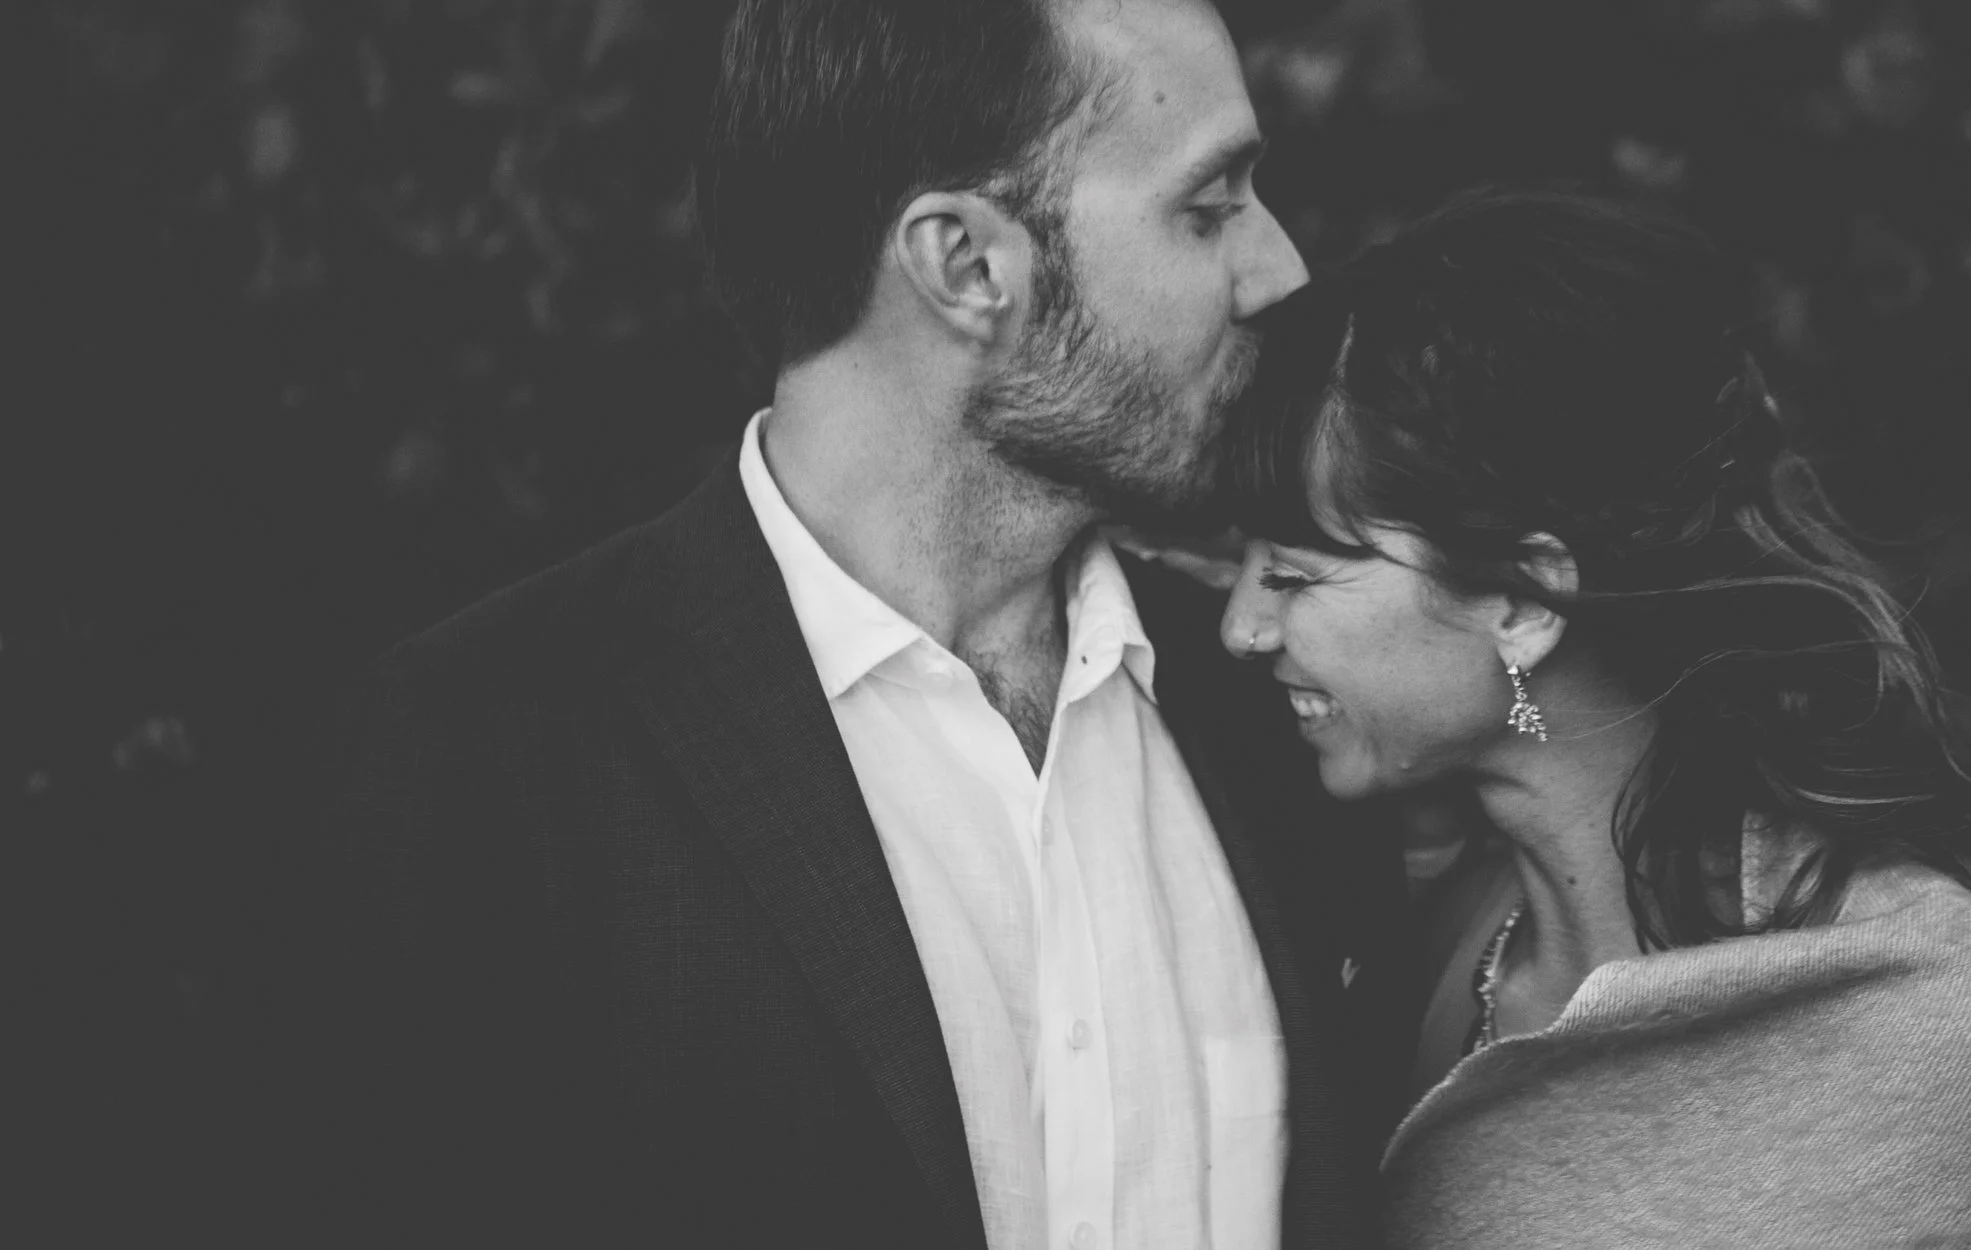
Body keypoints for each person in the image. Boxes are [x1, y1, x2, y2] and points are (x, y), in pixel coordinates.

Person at [289, 2, 1414, 1246]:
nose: (1279, 270)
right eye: (1206, 208)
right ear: (965, 265)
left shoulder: (1273, 707)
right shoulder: (482, 759)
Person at [1217, 189, 1971, 1249]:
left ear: (1524, 603)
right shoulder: (1383, 941)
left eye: (1292, 574)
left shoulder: (1942, 1033)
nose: (1241, 627)